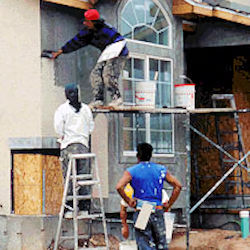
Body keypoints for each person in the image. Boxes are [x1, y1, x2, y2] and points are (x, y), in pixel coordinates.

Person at [49, 9, 129, 108]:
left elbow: (120, 40)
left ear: (94, 22)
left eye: (87, 21)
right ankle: (98, 100)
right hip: (106, 54)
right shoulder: (88, 32)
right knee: (95, 75)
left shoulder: (106, 30)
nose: (84, 23)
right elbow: (76, 41)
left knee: (108, 74)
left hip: (119, 53)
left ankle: (117, 98)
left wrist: (113, 52)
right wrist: (60, 51)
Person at [116, 143, 182, 250]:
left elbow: (119, 186)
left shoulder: (132, 171)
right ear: (151, 155)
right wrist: (169, 203)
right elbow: (178, 186)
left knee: (144, 244)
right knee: (161, 244)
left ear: (138, 156)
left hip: (143, 209)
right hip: (157, 208)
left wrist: (129, 201)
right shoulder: (160, 170)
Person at [54, 83, 94, 218]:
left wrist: (64, 137)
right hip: (83, 145)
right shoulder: (86, 109)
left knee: (69, 177)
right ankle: (84, 208)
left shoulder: (62, 110)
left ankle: (70, 208)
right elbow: (90, 128)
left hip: (69, 145)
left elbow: (58, 129)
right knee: (84, 176)